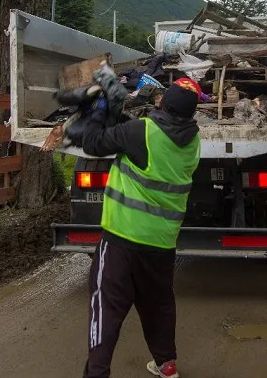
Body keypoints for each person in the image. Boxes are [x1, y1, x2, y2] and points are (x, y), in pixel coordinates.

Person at [80, 78, 202, 378]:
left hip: (122, 237)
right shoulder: (193, 141)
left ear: (161, 102)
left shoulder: (140, 132)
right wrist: (122, 118)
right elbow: (141, 135)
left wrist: (99, 108)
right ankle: (166, 365)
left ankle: (96, 373)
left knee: (106, 307)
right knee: (158, 303)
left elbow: (92, 143)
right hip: (161, 242)